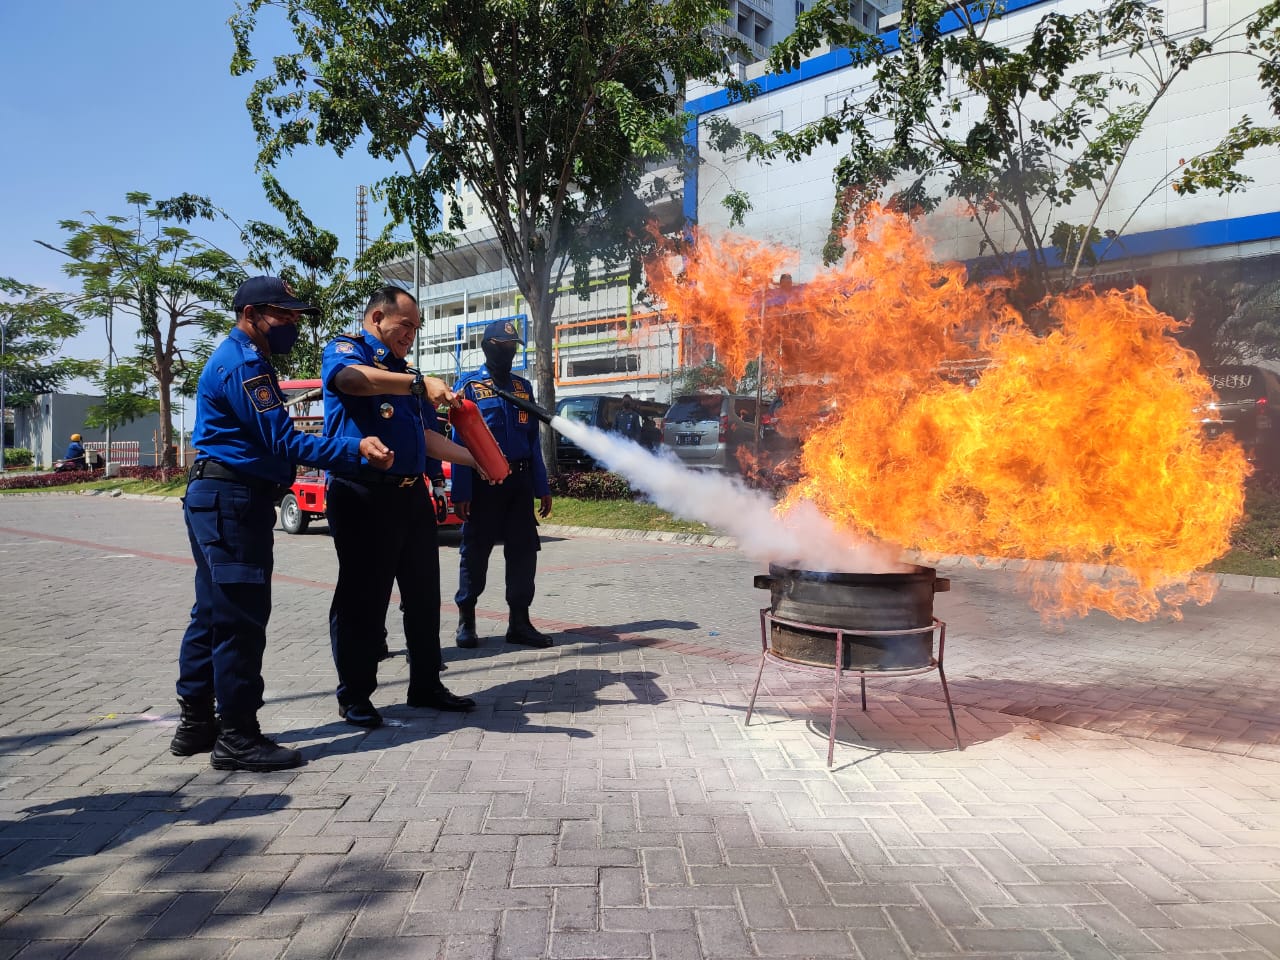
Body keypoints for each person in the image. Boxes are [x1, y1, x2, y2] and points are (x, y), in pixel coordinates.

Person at [173, 276, 395, 772]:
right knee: (240, 619)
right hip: (232, 501)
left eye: (296, 316)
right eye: (284, 315)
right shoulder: (245, 364)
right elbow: (283, 440)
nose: (293, 324)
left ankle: (196, 723)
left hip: (219, 497)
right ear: (251, 315)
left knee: (212, 611)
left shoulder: (242, 359)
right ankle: (237, 736)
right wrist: (353, 449)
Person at [323, 286, 485, 729]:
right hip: (362, 493)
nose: (411, 335)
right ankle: (354, 694)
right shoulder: (346, 350)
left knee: (423, 594)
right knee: (363, 598)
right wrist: (418, 383)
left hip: (410, 495)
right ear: (378, 317)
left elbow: (426, 438)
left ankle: (426, 684)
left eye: (416, 328)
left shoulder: (405, 372)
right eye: (405, 325)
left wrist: (476, 459)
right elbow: (352, 381)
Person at [452, 319, 554, 650]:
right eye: (502, 347)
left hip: (520, 482)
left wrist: (542, 485)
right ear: (487, 347)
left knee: (524, 552)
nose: (508, 353)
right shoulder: (469, 387)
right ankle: (466, 618)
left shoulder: (523, 388)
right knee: (475, 552)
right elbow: (461, 440)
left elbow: (533, 441)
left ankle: (519, 622)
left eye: (512, 348)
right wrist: (462, 491)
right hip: (484, 483)